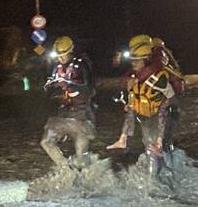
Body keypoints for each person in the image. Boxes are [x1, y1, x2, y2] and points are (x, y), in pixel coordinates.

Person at [108, 40, 177, 176]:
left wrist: (161, 133)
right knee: (149, 147)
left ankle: (154, 182)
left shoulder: (159, 79)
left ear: (146, 60)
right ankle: (164, 172)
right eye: (132, 61)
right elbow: (134, 98)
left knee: (153, 150)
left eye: (137, 61)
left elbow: (172, 99)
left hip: (160, 117)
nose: (133, 63)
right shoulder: (136, 78)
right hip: (146, 117)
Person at [40, 36, 96, 168]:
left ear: (70, 51)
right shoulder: (56, 66)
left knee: (82, 156)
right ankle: (65, 168)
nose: (60, 58)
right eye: (58, 55)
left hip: (81, 114)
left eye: (63, 55)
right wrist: (50, 87)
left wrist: (68, 86)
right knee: (45, 141)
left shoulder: (82, 64)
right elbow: (50, 89)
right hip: (62, 113)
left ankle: (86, 178)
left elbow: (89, 88)